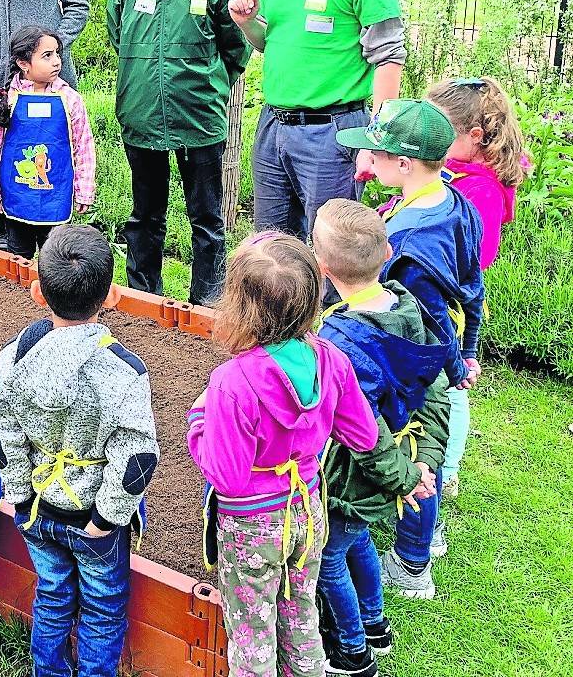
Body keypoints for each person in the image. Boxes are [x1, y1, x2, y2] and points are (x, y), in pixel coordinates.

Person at [188, 231, 378, 677]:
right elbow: (363, 435)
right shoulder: (331, 359)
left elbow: (227, 477)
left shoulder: (230, 383)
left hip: (252, 522)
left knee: (252, 634)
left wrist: (198, 425)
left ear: (239, 304)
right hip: (308, 509)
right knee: (300, 613)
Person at [0, 224, 160, 677]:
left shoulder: (13, 357)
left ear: (37, 292)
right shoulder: (124, 372)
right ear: (112, 296)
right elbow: (137, 455)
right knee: (102, 608)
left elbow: (1, 429)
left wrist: (19, 494)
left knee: (53, 592)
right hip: (92, 521)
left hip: (38, 510)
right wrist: (108, 517)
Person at [336, 99, 485, 599]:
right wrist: (469, 348)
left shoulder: (408, 241)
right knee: (428, 452)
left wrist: (447, 361)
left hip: (415, 360)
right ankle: (425, 535)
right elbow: (472, 283)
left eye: (375, 155)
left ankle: (414, 561)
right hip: (438, 353)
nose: (368, 162)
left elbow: (427, 317)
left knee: (417, 452)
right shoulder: (453, 200)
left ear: (403, 164)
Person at [227, 0, 406, 237]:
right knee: (271, 253)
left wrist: (375, 139)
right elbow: (270, 43)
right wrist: (247, 24)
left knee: (331, 252)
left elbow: (388, 56)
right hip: (273, 125)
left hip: (332, 133)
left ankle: (331, 303)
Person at [312, 200, 450, 677]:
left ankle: (351, 652)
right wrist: (425, 461)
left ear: (322, 267)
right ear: (388, 251)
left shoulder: (338, 341)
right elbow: (435, 387)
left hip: (355, 477)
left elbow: (362, 435)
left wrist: (406, 478)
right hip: (398, 463)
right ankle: (375, 625)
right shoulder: (407, 307)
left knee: (330, 556)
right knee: (358, 540)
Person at [106, 0, 251, 304]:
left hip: (199, 120)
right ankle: (142, 300)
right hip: (142, 116)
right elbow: (120, 35)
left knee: (206, 219)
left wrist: (207, 83)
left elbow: (236, 47)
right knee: (145, 217)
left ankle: (205, 303)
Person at [425, 76, 529, 500]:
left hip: (454, 301)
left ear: (474, 136)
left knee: (455, 383)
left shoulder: (480, 188)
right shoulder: (459, 171)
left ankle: (447, 470)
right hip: (442, 292)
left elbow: (475, 257)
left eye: (439, 131)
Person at [0, 26, 96, 262]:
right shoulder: (5, 100)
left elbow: (83, 146)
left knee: (57, 258)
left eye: (57, 54)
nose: (56, 62)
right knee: (18, 259)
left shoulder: (70, 99)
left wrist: (84, 189)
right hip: (16, 198)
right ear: (24, 64)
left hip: (57, 195)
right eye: (47, 55)